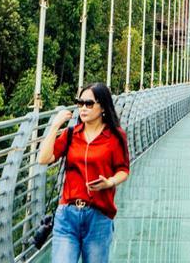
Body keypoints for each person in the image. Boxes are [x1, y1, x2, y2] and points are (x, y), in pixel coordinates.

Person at [38, 82, 130, 263]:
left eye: (89, 104)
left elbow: (123, 169)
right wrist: (55, 125)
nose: (83, 108)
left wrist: (109, 182)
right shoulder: (72, 134)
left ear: (102, 106)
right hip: (67, 216)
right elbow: (44, 158)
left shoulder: (115, 136)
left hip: (99, 217)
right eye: (80, 103)